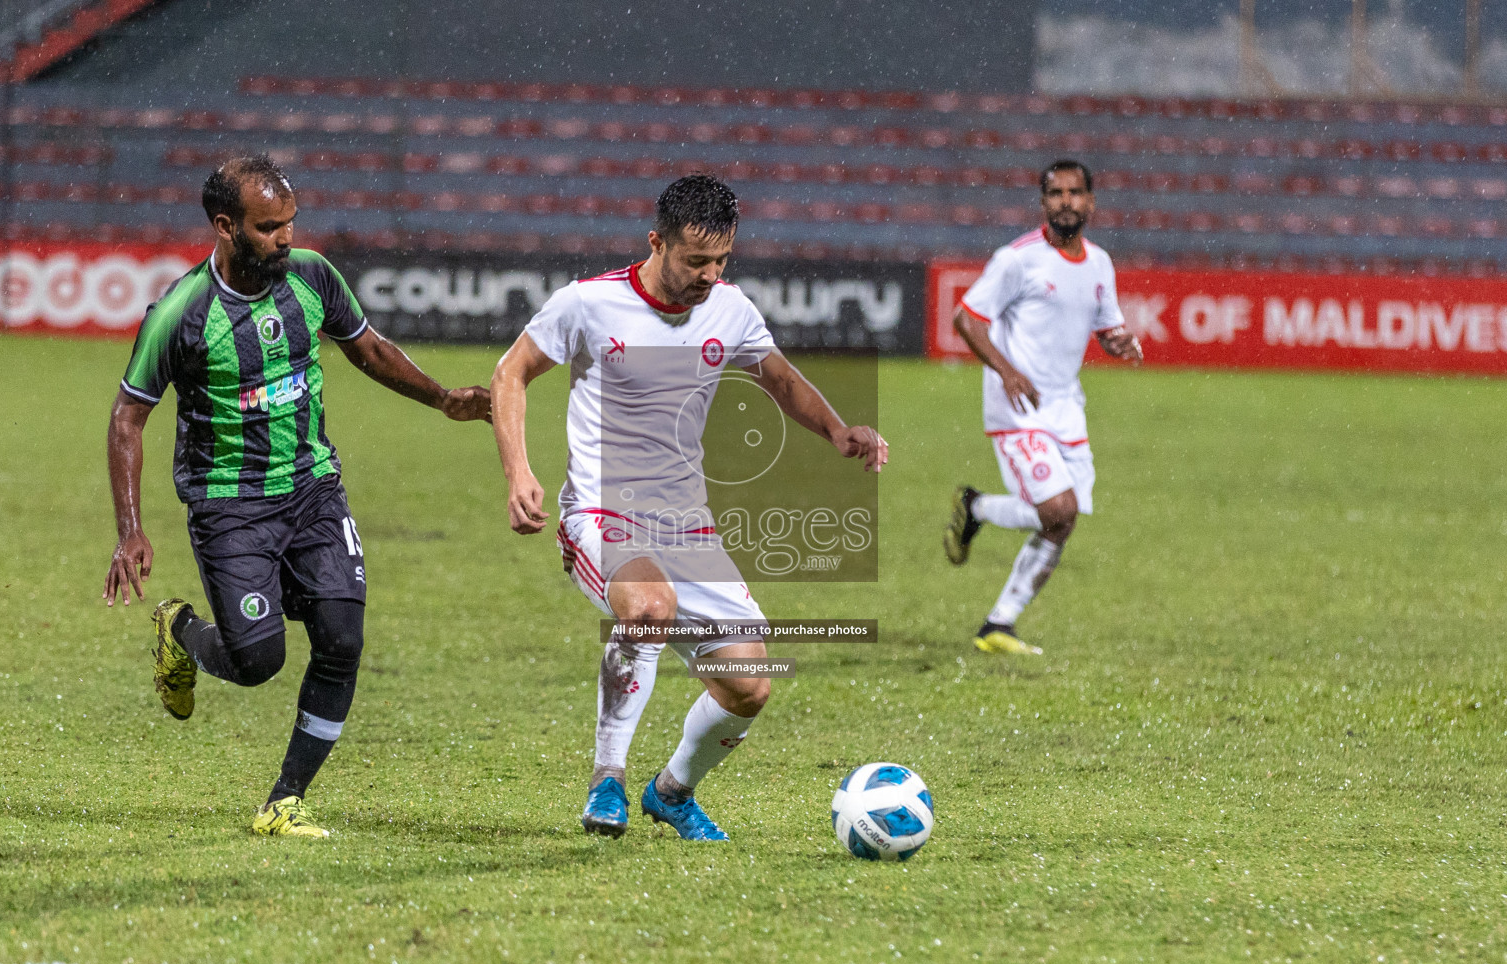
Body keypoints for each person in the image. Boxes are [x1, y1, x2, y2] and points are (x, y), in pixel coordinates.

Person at [103, 155, 491, 837]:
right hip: (229, 505)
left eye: (290, 222)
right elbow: (127, 417)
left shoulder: (312, 276)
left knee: (342, 638)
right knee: (258, 662)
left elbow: (367, 348)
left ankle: (285, 801)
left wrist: (442, 399)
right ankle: (182, 630)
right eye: (268, 226)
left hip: (313, 489)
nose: (286, 237)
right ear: (225, 227)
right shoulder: (182, 313)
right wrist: (130, 529)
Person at [490, 174, 887, 841]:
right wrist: (519, 472)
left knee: (749, 687)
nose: (709, 274)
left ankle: (672, 792)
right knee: (648, 608)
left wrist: (840, 430)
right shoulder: (588, 304)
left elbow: (780, 378)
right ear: (657, 243)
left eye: (721, 261)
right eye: (695, 260)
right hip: (603, 512)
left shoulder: (730, 310)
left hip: (686, 523)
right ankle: (606, 781)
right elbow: (511, 373)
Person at [942, 159, 1141, 656]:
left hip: (1065, 406)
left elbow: (1104, 326)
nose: (1066, 202)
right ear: (1043, 203)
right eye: (1056, 193)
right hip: (1018, 406)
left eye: (1076, 193)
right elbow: (966, 319)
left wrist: (1116, 343)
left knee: (1061, 520)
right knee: (1058, 508)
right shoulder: (1017, 259)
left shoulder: (1099, 264)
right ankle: (994, 606)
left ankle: (997, 620)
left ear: (1091, 202)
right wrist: (1007, 371)